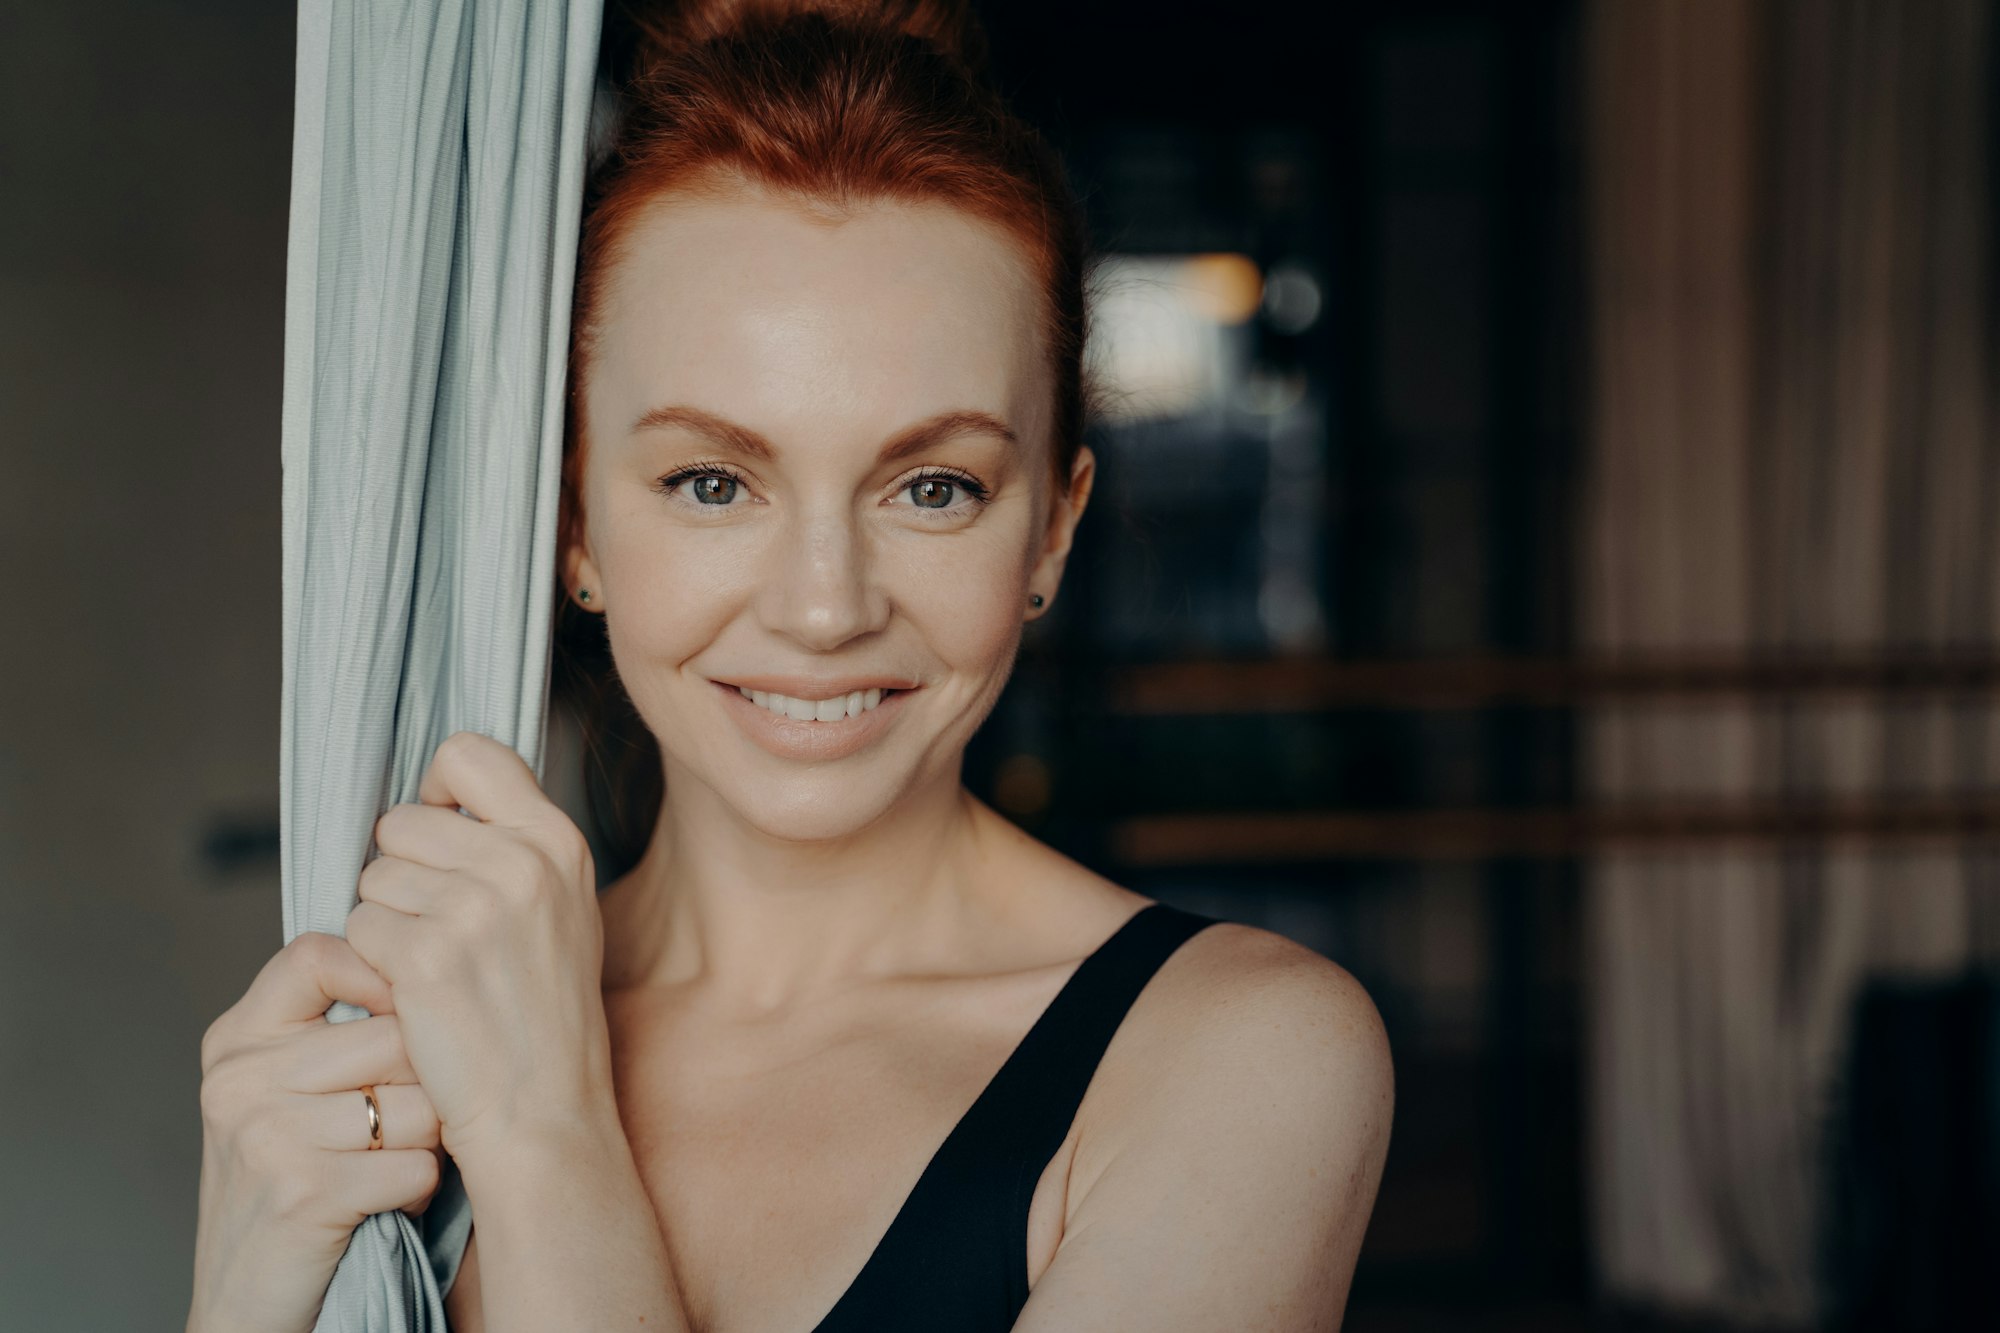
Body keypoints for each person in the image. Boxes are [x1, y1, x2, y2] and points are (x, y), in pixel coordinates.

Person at [189, 2, 1392, 1330]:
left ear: (1052, 523)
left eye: (933, 486)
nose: (826, 608)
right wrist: (240, 1291)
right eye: (713, 481)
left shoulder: (1239, 1059)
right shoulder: (408, 1030)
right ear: (575, 523)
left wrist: (551, 1141)